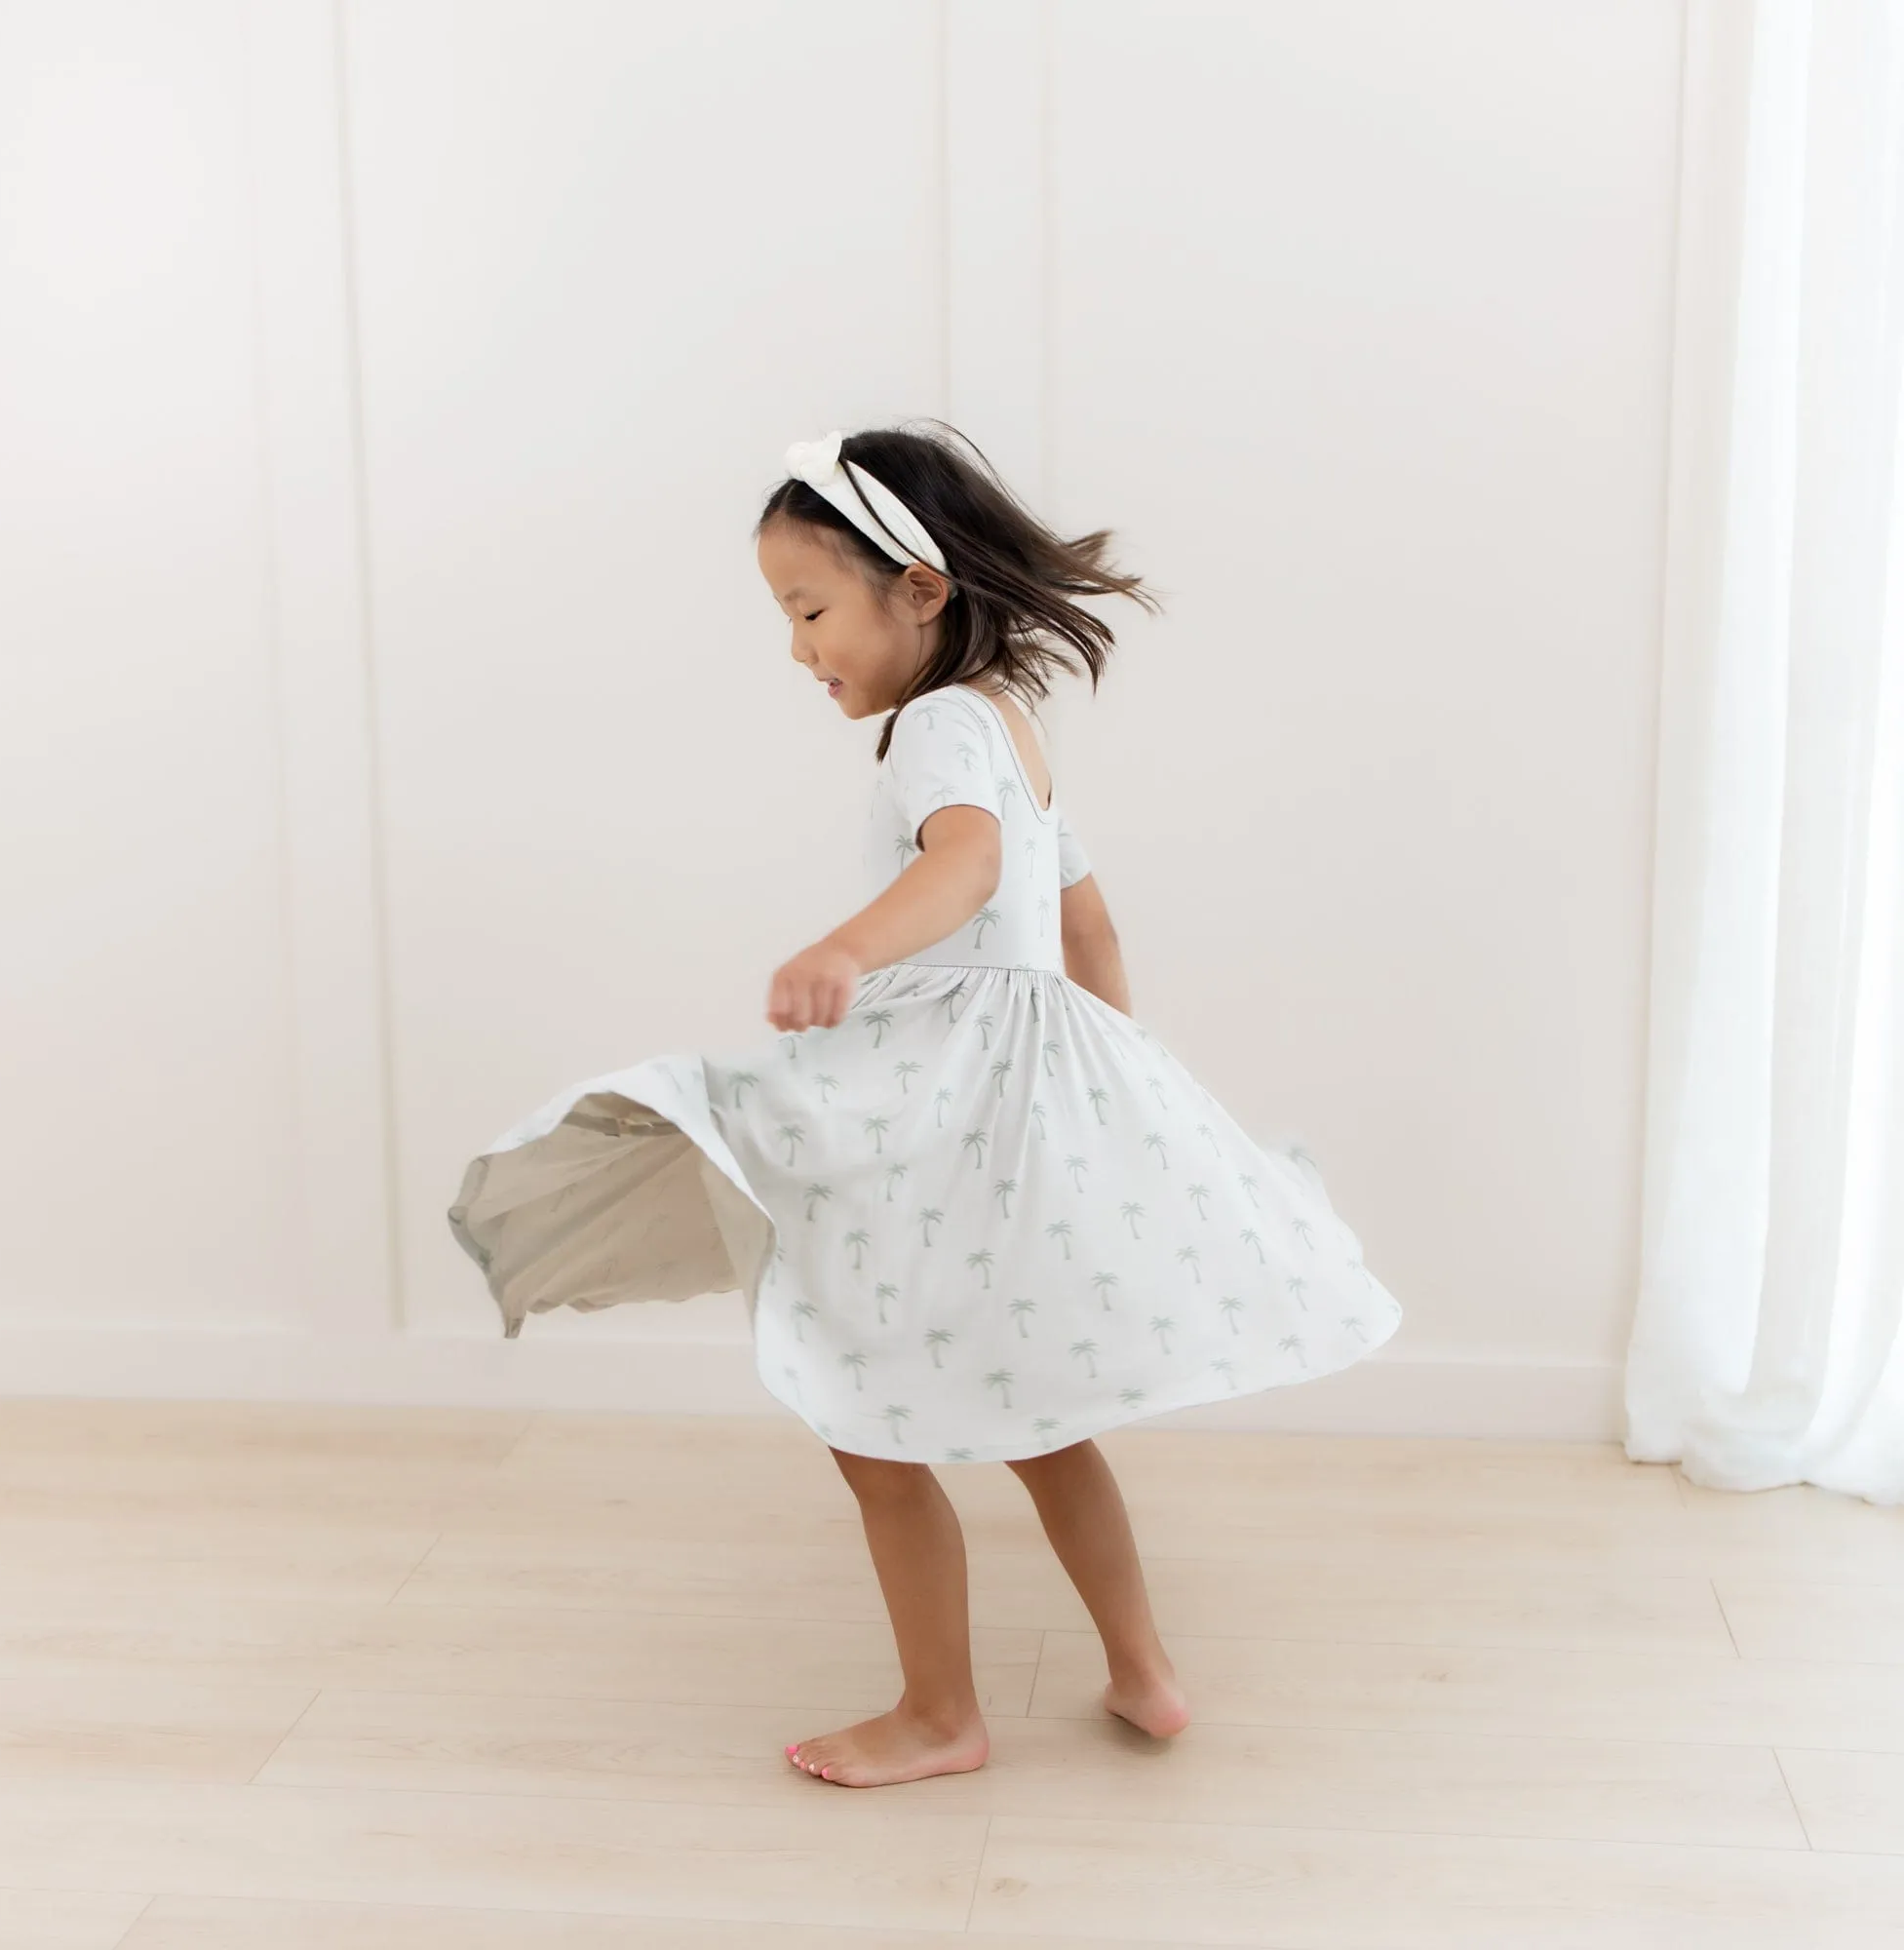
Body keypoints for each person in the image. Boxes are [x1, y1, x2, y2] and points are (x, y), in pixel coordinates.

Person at [447, 420, 1403, 1788]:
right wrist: (1109, 1097)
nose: (798, 648)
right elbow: (1091, 934)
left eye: (811, 608)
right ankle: (1144, 1673)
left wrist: (849, 947)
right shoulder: (1016, 731)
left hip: (933, 1113)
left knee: (868, 1416)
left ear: (921, 588)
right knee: (1041, 1415)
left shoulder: (940, 731)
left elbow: (964, 870)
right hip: (1015, 1115)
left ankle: (940, 1714)